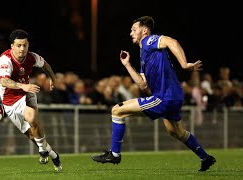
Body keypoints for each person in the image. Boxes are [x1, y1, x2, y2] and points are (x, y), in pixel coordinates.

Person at [91, 16, 216, 171]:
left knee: (117, 110)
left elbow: (172, 42)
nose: (131, 33)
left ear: (144, 31)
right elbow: (142, 84)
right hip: (174, 96)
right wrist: (128, 65)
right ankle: (205, 157)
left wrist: (184, 65)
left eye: (134, 29)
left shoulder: (148, 41)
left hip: (164, 97)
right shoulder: (145, 54)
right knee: (175, 131)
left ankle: (115, 154)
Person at [0, 29, 62, 172]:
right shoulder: (5, 59)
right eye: (19, 45)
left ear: (28, 45)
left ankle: (42, 150)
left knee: (32, 118)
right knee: (32, 135)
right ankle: (51, 153)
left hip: (27, 93)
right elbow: (4, 81)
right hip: (9, 101)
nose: (22, 49)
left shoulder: (32, 57)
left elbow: (45, 64)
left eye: (25, 45)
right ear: (12, 46)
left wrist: (52, 78)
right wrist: (23, 86)